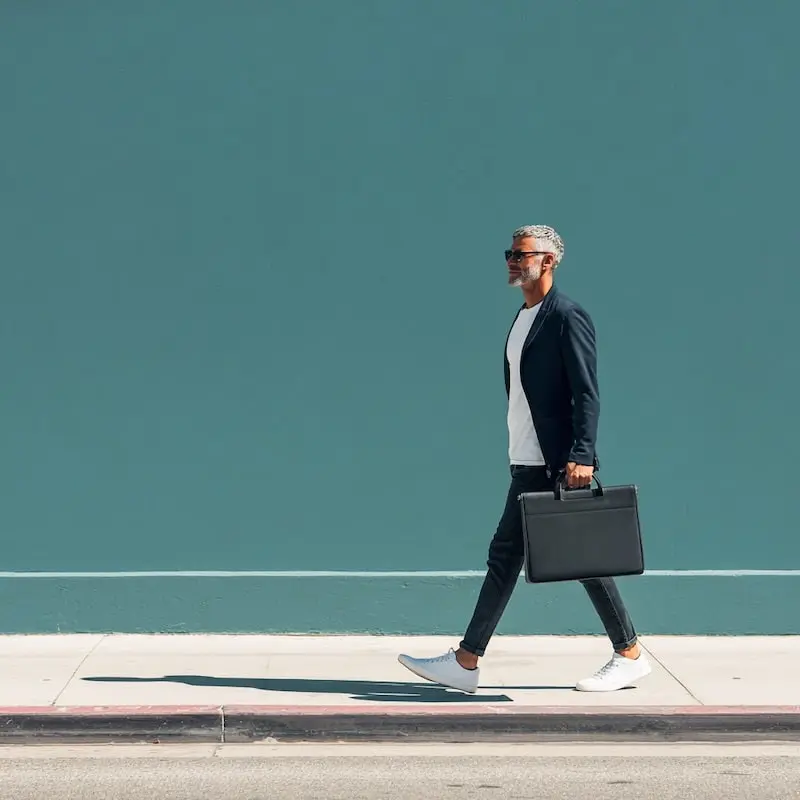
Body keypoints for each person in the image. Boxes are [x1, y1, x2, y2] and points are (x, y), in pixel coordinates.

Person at [397, 224, 651, 694]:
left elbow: (586, 392)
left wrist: (582, 455)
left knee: (523, 556)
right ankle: (627, 653)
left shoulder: (566, 316)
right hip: (526, 457)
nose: (513, 260)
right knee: (571, 556)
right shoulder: (525, 317)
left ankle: (468, 661)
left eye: (523, 254)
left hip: (553, 460)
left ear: (549, 261)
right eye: (509, 253)